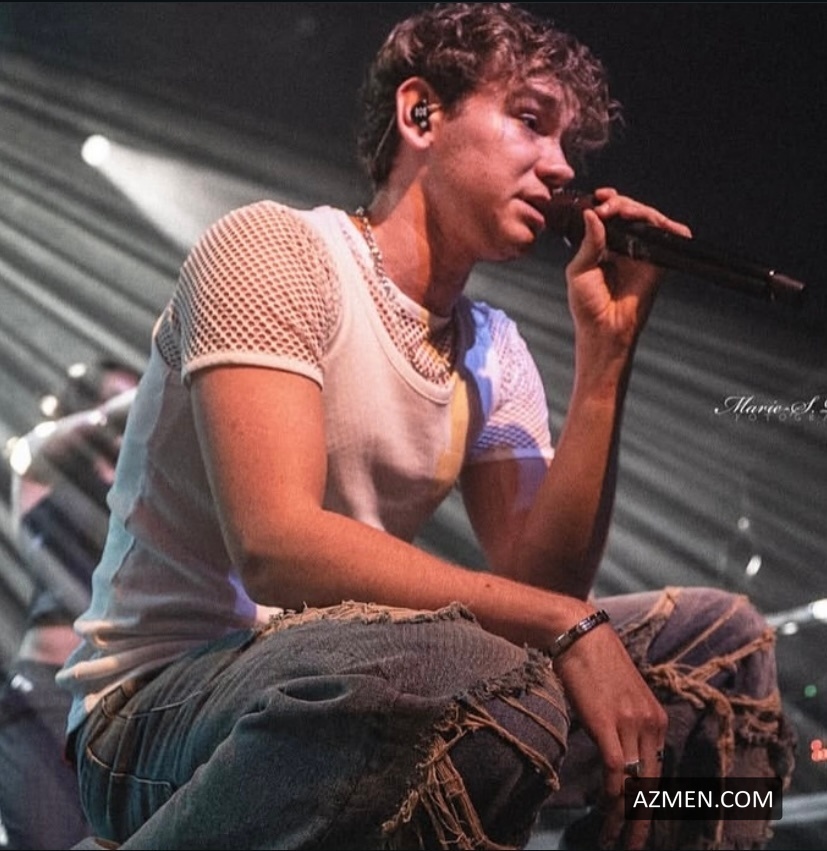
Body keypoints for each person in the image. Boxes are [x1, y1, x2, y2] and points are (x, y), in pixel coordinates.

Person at [57, 4, 794, 850]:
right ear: (420, 114)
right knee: (456, 665)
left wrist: (606, 356)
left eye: (567, 144)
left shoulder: (493, 349)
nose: (561, 167)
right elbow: (276, 542)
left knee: (721, 644)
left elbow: (540, 582)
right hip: (158, 709)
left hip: (377, 675)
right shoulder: (274, 250)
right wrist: (564, 626)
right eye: (530, 122)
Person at [0, 359, 139, 850]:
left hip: (131, 704)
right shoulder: (47, 477)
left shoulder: (154, 489)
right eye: (116, 395)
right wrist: (150, 395)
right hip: (46, 694)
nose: (129, 408)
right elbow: (34, 451)